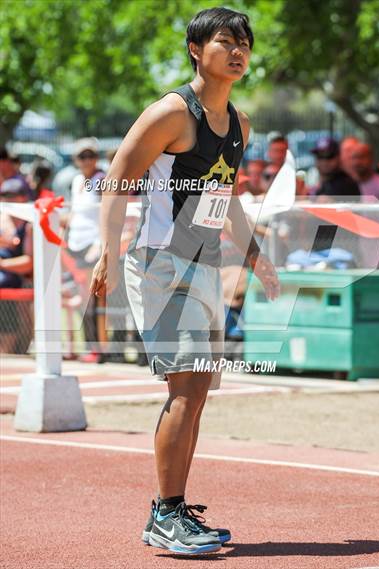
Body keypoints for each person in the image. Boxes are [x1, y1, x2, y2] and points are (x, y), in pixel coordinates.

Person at [90, 7, 280, 556]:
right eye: (226, 41)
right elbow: (115, 180)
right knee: (186, 386)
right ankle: (166, 514)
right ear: (197, 50)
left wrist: (254, 257)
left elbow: (228, 197)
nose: (238, 51)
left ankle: (170, 512)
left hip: (202, 265)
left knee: (195, 393)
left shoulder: (240, 124)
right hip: (160, 263)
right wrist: (107, 250)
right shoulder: (172, 114)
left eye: (244, 42)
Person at [66, 138, 106, 363]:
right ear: (76, 160)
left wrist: (99, 244)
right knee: (80, 300)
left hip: (93, 245)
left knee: (92, 300)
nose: (88, 160)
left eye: (91, 155)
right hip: (75, 245)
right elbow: (74, 212)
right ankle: (87, 347)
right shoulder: (77, 180)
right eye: (83, 156)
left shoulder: (101, 179)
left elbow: (106, 213)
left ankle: (96, 349)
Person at [0, 177, 33, 352]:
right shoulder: (2, 219)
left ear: (23, 197)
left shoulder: (29, 225)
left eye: (12, 195)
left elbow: (28, 263)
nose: (7, 199)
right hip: (6, 288)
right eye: (4, 195)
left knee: (9, 350)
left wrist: (3, 264)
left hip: (16, 289)